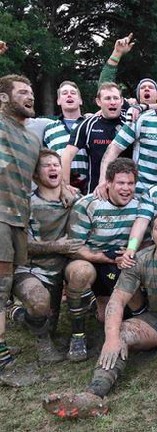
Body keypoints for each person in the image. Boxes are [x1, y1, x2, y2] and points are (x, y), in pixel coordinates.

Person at [43, 211, 157, 424]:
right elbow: (117, 301)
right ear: (152, 233)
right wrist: (112, 338)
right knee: (121, 332)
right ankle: (94, 394)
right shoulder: (140, 259)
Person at [64, 158, 140, 362]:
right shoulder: (87, 205)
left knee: (105, 317)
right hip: (89, 260)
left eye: (130, 183)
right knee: (80, 273)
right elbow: (73, 247)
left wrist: (128, 254)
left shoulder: (139, 205)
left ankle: (99, 304)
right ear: (108, 183)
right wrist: (103, 257)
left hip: (119, 264)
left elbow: (147, 240)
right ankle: (77, 334)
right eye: (120, 183)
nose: (126, 188)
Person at [9, 150, 82, 363]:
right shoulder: (25, 204)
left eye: (56, 165)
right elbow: (19, 245)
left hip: (58, 273)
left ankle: (17, 314)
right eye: (46, 165)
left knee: (47, 322)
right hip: (29, 269)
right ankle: (44, 346)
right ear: (35, 175)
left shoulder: (75, 198)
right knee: (40, 304)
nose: (53, 168)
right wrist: (56, 246)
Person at [0, 74, 43, 372]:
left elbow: (40, 174)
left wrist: (66, 189)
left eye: (31, 92)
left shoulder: (32, 137)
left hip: (19, 219)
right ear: (4, 98)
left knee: (5, 284)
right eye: (22, 92)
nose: (30, 97)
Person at [61, 82, 125, 194]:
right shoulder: (87, 126)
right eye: (108, 98)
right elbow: (67, 155)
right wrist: (65, 186)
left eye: (116, 98)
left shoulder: (130, 124)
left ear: (122, 101)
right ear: (98, 102)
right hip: (96, 191)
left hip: (126, 191)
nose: (112, 102)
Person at [43, 81, 88, 191]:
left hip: (88, 188)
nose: (69, 95)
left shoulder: (90, 124)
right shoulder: (49, 129)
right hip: (58, 188)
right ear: (58, 101)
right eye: (64, 93)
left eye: (73, 93)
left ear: (80, 100)